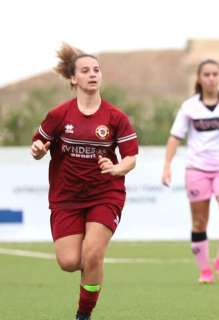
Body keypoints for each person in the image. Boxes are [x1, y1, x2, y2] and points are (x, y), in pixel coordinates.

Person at [30, 43, 138, 320]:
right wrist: (38, 151)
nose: (93, 74)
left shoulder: (116, 117)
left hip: (105, 194)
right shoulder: (59, 115)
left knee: (92, 254)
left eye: (97, 70)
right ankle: (91, 271)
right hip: (67, 197)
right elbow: (38, 145)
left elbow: (130, 158)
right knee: (69, 262)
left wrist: (117, 169)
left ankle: (83, 314)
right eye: (85, 70)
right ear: (73, 79)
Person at [161, 59, 219, 284]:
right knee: (199, 222)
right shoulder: (189, 107)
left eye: (215, 74)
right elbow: (174, 137)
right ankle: (204, 270)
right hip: (197, 169)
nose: (211, 78)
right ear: (199, 78)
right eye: (206, 74)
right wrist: (167, 166)